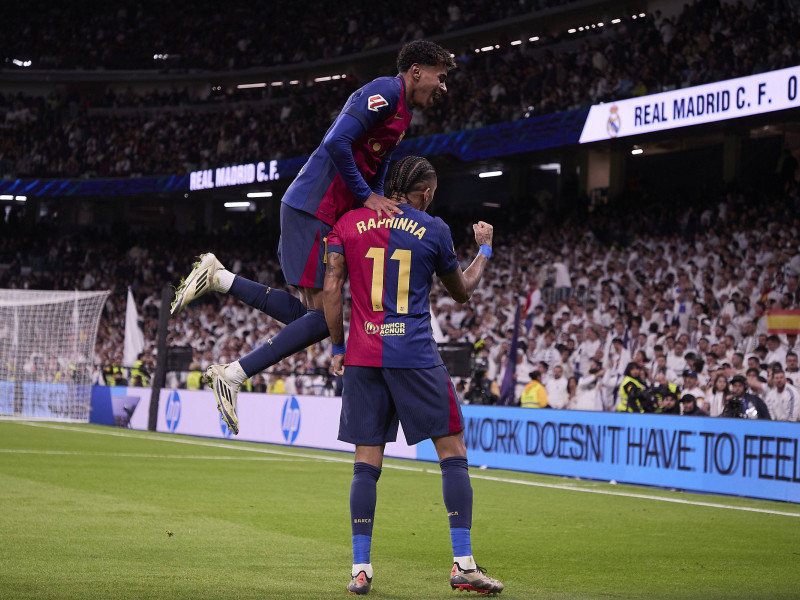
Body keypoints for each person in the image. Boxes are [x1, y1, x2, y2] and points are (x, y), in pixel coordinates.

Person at [170, 41, 457, 434]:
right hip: (313, 210)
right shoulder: (386, 91)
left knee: (317, 318)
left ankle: (219, 279)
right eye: (440, 77)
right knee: (324, 320)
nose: (442, 86)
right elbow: (335, 142)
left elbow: (378, 162)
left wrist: (369, 207)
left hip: (321, 213)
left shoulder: (402, 113)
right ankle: (234, 372)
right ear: (417, 70)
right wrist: (366, 198)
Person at [321, 156, 503, 595]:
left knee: (366, 464)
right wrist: (485, 249)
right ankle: (463, 564)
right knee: (452, 449)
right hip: (416, 355)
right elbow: (462, 291)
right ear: (424, 192)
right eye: (433, 192)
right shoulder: (434, 228)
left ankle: (360, 570)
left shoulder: (345, 224)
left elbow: (330, 289)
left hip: (364, 356)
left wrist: (338, 347)